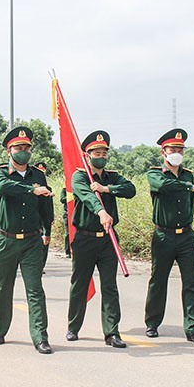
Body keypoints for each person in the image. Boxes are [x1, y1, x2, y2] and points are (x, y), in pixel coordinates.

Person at [66, 131, 136, 349]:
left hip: (108, 239)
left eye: (104, 152)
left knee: (109, 285)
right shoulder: (79, 176)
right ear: (87, 155)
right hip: (85, 238)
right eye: (97, 152)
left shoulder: (112, 177)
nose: (101, 156)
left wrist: (107, 189)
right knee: (80, 283)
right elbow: (86, 196)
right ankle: (73, 326)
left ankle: (112, 332)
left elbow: (130, 189)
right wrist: (101, 212)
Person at [0, 127, 55, 354]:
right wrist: (32, 190)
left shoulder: (38, 175)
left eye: (27, 148)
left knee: (35, 289)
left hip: (31, 241)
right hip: (5, 240)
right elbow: (3, 188)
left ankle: (40, 337)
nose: (24, 152)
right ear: (9, 151)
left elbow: (46, 205)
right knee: (3, 288)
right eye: (19, 148)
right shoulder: (0, 173)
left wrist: (48, 229)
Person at [144, 129, 194, 343]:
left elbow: (190, 203)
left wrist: (188, 185)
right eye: (173, 149)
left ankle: (193, 327)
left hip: (186, 235)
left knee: (191, 282)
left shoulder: (188, 174)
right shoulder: (155, 174)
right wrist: (189, 187)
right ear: (163, 151)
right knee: (158, 281)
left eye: (180, 149)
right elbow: (163, 186)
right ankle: (152, 323)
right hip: (163, 236)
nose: (177, 152)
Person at [33, 162, 55, 270]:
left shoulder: (48, 188)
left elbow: (48, 206)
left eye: (43, 170)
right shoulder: (32, 187)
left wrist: (51, 217)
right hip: (35, 220)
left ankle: (41, 267)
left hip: (45, 218)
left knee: (45, 244)